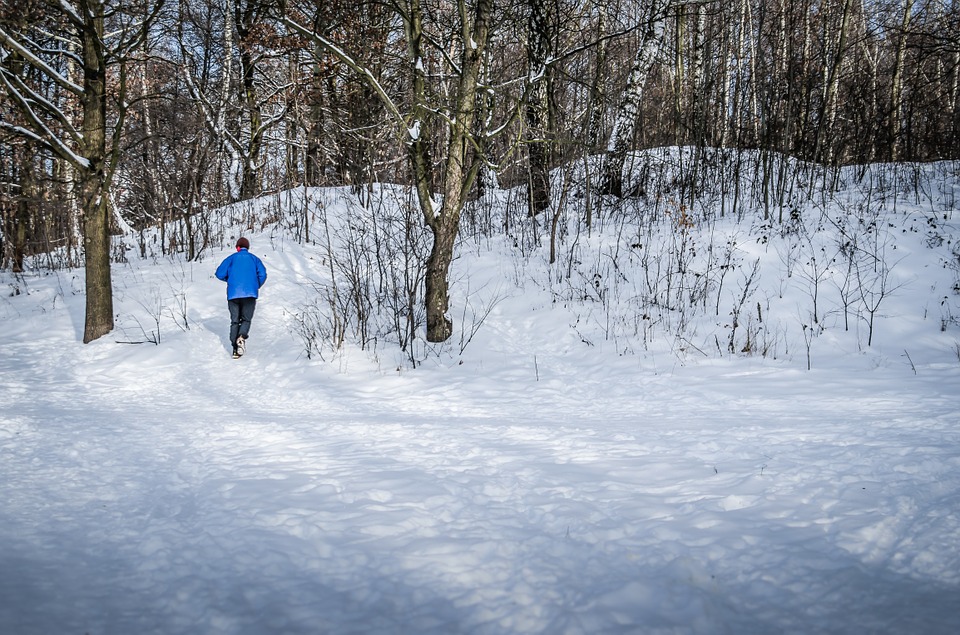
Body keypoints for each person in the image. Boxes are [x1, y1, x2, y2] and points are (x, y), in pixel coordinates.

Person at [215, 236, 267, 358]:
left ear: (238, 247)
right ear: (247, 248)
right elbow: (263, 274)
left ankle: (235, 350)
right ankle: (242, 337)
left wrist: (229, 280)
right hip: (250, 294)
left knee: (234, 321)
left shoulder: (231, 258)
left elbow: (219, 273)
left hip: (233, 295)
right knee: (246, 319)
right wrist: (255, 285)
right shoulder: (255, 259)